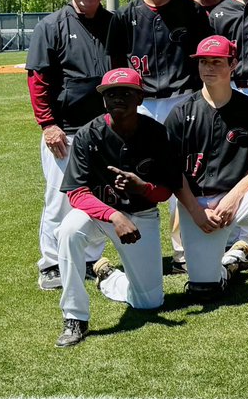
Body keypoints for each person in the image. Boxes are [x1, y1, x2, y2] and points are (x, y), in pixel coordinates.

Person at [53, 67, 182, 347]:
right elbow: (76, 192)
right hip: (99, 214)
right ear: (103, 100)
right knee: (68, 231)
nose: (118, 98)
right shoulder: (89, 134)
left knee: (148, 302)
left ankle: (107, 275)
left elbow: (167, 189)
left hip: (141, 216)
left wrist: (143, 188)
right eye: (111, 94)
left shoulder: (157, 134)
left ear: (140, 98)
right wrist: (113, 215)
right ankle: (74, 317)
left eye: (126, 92)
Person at [27, 0, 112, 291]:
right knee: (60, 198)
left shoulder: (113, 24)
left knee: (100, 195)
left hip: (103, 128)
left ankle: (90, 257)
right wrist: (47, 124)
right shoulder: (51, 25)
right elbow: (38, 80)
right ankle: (50, 263)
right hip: (65, 130)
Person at [167, 36, 248, 296]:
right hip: (196, 205)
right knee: (204, 289)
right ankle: (233, 260)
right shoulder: (181, 112)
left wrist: (233, 197)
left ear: (233, 64)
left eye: (217, 62)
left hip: (239, 197)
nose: (209, 68)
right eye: (203, 62)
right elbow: (171, 170)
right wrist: (194, 210)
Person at [108, 0, 211, 124]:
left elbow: (204, 58)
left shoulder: (192, 11)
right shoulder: (123, 15)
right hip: (141, 101)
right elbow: (116, 64)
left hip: (184, 96)